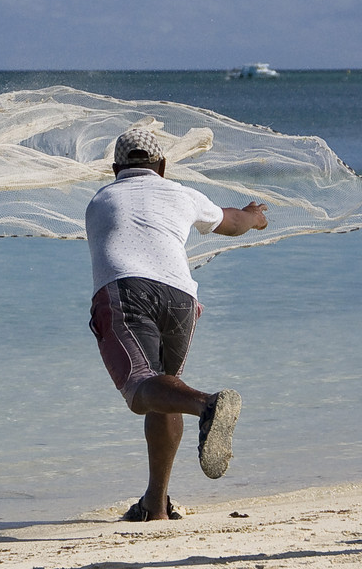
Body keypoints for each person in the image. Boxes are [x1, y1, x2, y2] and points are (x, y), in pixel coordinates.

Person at [85, 128, 268, 522]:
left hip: (125, 290)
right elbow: (232, 222)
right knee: (165, 388)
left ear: (115, 168)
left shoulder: (100, 199)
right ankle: (156, 505)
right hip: (181, 299)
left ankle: (207, 404)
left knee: (139, 390)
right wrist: (254, 217)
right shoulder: (182, 194)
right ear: (162, 167)